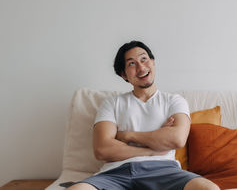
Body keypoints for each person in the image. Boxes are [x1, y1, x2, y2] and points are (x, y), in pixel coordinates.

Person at [67, 41, 219, 190]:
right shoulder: (111, 104)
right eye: (132, 64)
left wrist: (127, 136)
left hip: (164, 171)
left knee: (208, 188)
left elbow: (177, 139)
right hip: (116, 173)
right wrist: (153, 149)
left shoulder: (175, 101)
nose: (141, 67)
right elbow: (102, 149)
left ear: (153, 62)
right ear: (124, 75)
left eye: (144, 59)